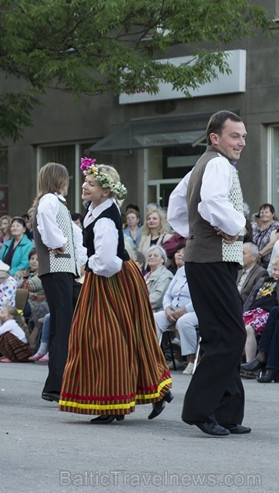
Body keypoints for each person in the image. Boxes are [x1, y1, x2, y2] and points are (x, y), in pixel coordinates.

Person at [60, 158, 172, 424]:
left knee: (106, 339)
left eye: (92, 183)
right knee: (123, 337)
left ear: (107, 190)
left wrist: (87, 264)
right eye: (85, 182)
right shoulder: (96, 210)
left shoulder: (105, 219)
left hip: (112, 280)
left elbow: (108, 262)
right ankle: (152, 392)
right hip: (111, 278)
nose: (85, 186)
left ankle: (115, 403)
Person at [167, 110, 250, 437]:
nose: (241, 142)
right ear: (215, 138)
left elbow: (176, 203)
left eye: (243, 136)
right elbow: (211, 202)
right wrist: (235, 226)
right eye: (235, 136)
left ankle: (227, 412)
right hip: (212, 261)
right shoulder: (216, 163)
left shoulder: (205, 164)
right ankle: (200, 410)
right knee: (229, 335)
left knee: (224, 334)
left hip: (209, 259)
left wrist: (195, 232)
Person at [32, 162, 86, 403]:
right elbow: (46, 222)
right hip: (56, 267)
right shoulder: (49, 201)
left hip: (64, 268)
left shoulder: (56, 202)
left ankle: (60, 380)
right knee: (62, 324)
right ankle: (56, 383)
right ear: (59, 180)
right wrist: (57, 243)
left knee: (64, 321)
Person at [153, 247, 199, 375]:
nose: (181, 254)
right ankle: (153, 358)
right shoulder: (181, 271)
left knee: (184, 321)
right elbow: (168, 294)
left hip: (195, 311)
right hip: (173, 309)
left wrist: (183, 311)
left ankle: (191, 360)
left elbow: (201, 297)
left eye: (185, 252)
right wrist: (167, 308)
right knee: (154, 318)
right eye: (179, 252)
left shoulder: (202, 271)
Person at [239, 254, 279, 364]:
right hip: (254, 310)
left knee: (249, 329)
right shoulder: (264, 280)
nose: (277, 273)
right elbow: (251, 298)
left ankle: (250, 364)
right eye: (274, 269)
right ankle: (233, 362)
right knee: (236, 327)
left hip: (269, 312)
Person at [251, 203, 279, 267]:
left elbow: (272, 244)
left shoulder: (276, 226)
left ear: (272, 214)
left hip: (268, 262)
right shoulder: (255, 226)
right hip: (254, 261)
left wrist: (259, 254)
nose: (264, 214)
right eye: (262, 212)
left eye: (266, 212)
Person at [144, 245, 173, 312]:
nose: (152, 257)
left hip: (156, 311)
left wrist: (136, 303)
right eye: (149, 255)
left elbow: (157, 299)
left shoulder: (166, 275)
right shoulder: (146, 276)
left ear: (162, 260)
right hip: (143, 307)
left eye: (155, 255)